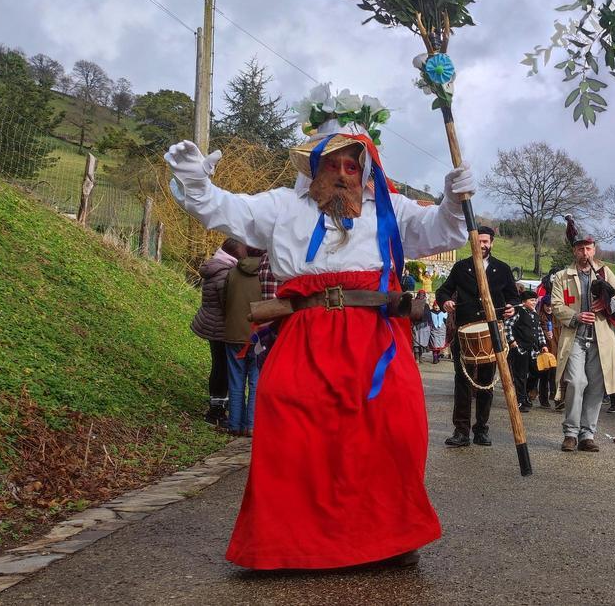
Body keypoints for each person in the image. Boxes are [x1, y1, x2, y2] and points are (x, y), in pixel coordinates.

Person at [164, 82, 472, 570]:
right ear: (314, 168)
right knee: (292, 425)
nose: (343, 174)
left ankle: (389, 538)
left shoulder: (389, 208)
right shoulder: (284, 207)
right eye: (332, 164)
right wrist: (197, 184)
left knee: (393, 426)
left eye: (352, 165)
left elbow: (438, 229)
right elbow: (230, 209)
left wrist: (455, 202)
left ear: (365, 168)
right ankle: (289, 545)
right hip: (305, 338)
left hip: (375, 340)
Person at [435, 226, 519, 447]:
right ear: (471, 242)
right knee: (461, 381)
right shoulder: (461, 267)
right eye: (478, 241)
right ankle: (461, 431)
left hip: (491, 332)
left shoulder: (502, 269)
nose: (482, 245)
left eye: (485, 241)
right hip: (464, 331)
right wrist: (446, 302)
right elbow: (443, 290)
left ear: (491, 243)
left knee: (486, 382)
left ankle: (481, 429)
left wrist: (512, 307)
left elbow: (513, 296)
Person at [551, 232, 615, 452]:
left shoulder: (604, 273)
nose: (584, 253)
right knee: (576, 382)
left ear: (594, 250)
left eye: (588, 249)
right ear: (574, 251)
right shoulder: (562, 276)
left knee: (596, 387)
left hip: (600, 338)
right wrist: (576, 317)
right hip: (574, 336)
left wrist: (606, 305)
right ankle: (570, 433)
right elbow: (556, 305)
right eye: (580, 249)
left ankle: (587, 435)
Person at [193, 239, 244, 425]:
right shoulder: (223, 273)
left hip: (212, 324)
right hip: (220, 326)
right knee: (222, 367)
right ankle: (216, 411)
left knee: (220, 365)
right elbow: (228, 302)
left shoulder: (215, 267)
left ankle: (220, 405)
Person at [223, 247, 265, 437]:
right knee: (256, 381)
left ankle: (234, 424)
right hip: (258, 335)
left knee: (235, 380)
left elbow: (224, 301)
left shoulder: (231, 273)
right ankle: (251, 425)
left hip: (233, 333)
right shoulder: (266, 274)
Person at [504, 289, 547, 413]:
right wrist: (512, 342)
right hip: (519, 349)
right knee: (520, 376)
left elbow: (539, 331)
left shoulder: (535, 314)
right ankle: (520, 400)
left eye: (535, 300)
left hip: (533, 350)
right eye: (532, 300)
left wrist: (543, 344)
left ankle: (525, 394)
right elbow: (507, 325)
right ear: (524, 302)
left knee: (536, 372)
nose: (535, 302)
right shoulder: (518, 312)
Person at [412, 291, 433, 361]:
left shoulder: (426, 305)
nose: (421, 297)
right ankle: (417, 358)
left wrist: (430, 324)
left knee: (422, 342)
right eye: (420, 295)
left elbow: (428, 316)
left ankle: (420, 356)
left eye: (423, 295)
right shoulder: (413, 304)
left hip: (424, 326)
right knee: (416, 342)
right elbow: (410, 315)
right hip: (415, 325)